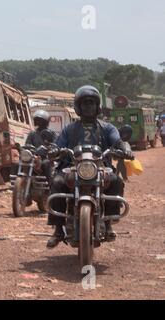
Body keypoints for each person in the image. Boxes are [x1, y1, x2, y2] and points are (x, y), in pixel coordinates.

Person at [47, 86, 133, 248]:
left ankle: (108, 224)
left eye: (92, 103)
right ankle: (58, 229)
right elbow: (58, 144)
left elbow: (118, 141)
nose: (89, 107)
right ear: (78, 107)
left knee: (116, 181)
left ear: (98, 106)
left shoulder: (107, 127)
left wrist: (125, 149)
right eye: (85, 103)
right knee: (57, 182)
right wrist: (53, 150)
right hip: (72, 167)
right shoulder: (70, 129)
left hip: (100, 167)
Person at [15, 110, 56, 183]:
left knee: (46, 163)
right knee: (20, 162)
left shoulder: (51, 133)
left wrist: (49, 148)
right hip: (33, 157)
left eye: (40, 120)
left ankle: (51, 185)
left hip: (45, 158)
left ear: (45, 122)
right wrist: (22, 148)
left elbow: (55, 145)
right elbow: (27, 144)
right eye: (37, 120)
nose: (38, 122)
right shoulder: (32, 134)